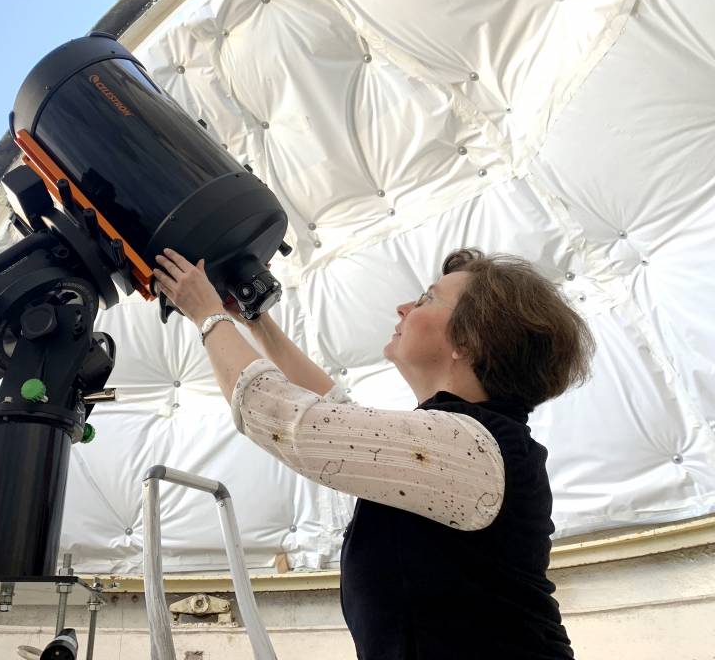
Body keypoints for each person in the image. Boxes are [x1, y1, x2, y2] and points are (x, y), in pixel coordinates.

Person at [153, 246, 595, 660]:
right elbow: (335, 412)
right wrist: (255, 321)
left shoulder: (472, 447)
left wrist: (207, 313)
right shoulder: (471, 441)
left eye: (425, 299)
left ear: (470, 340)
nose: (404, 308)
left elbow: (285, 419)